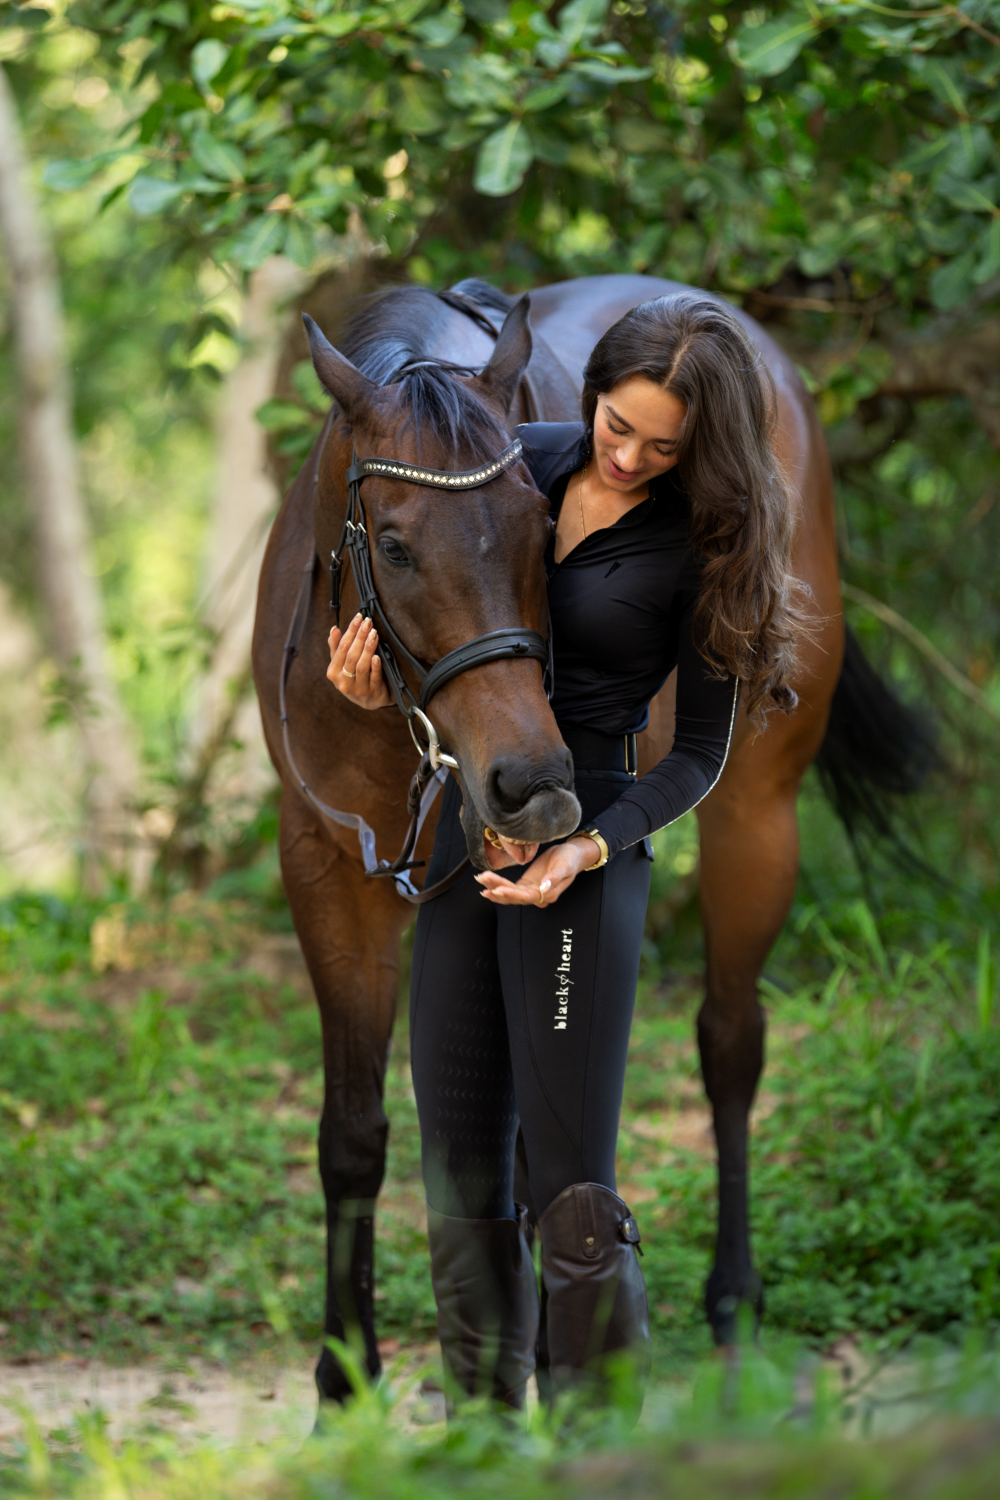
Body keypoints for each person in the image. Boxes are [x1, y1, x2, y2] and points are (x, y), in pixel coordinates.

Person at [325, 294, 802, 1412]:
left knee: (571, 1185)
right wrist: (371, 689)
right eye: (615, 427)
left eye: (663, 445)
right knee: (458, 1165)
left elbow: (696, 754)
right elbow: (449, 631)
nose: (630, 457)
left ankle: (597, 1454)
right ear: (586, 402)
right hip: (466, 837)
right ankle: (484, 1447)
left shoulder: (704, 541)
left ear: (702, 450)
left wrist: (587, 849)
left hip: (585, 854)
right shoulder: (518, 469)